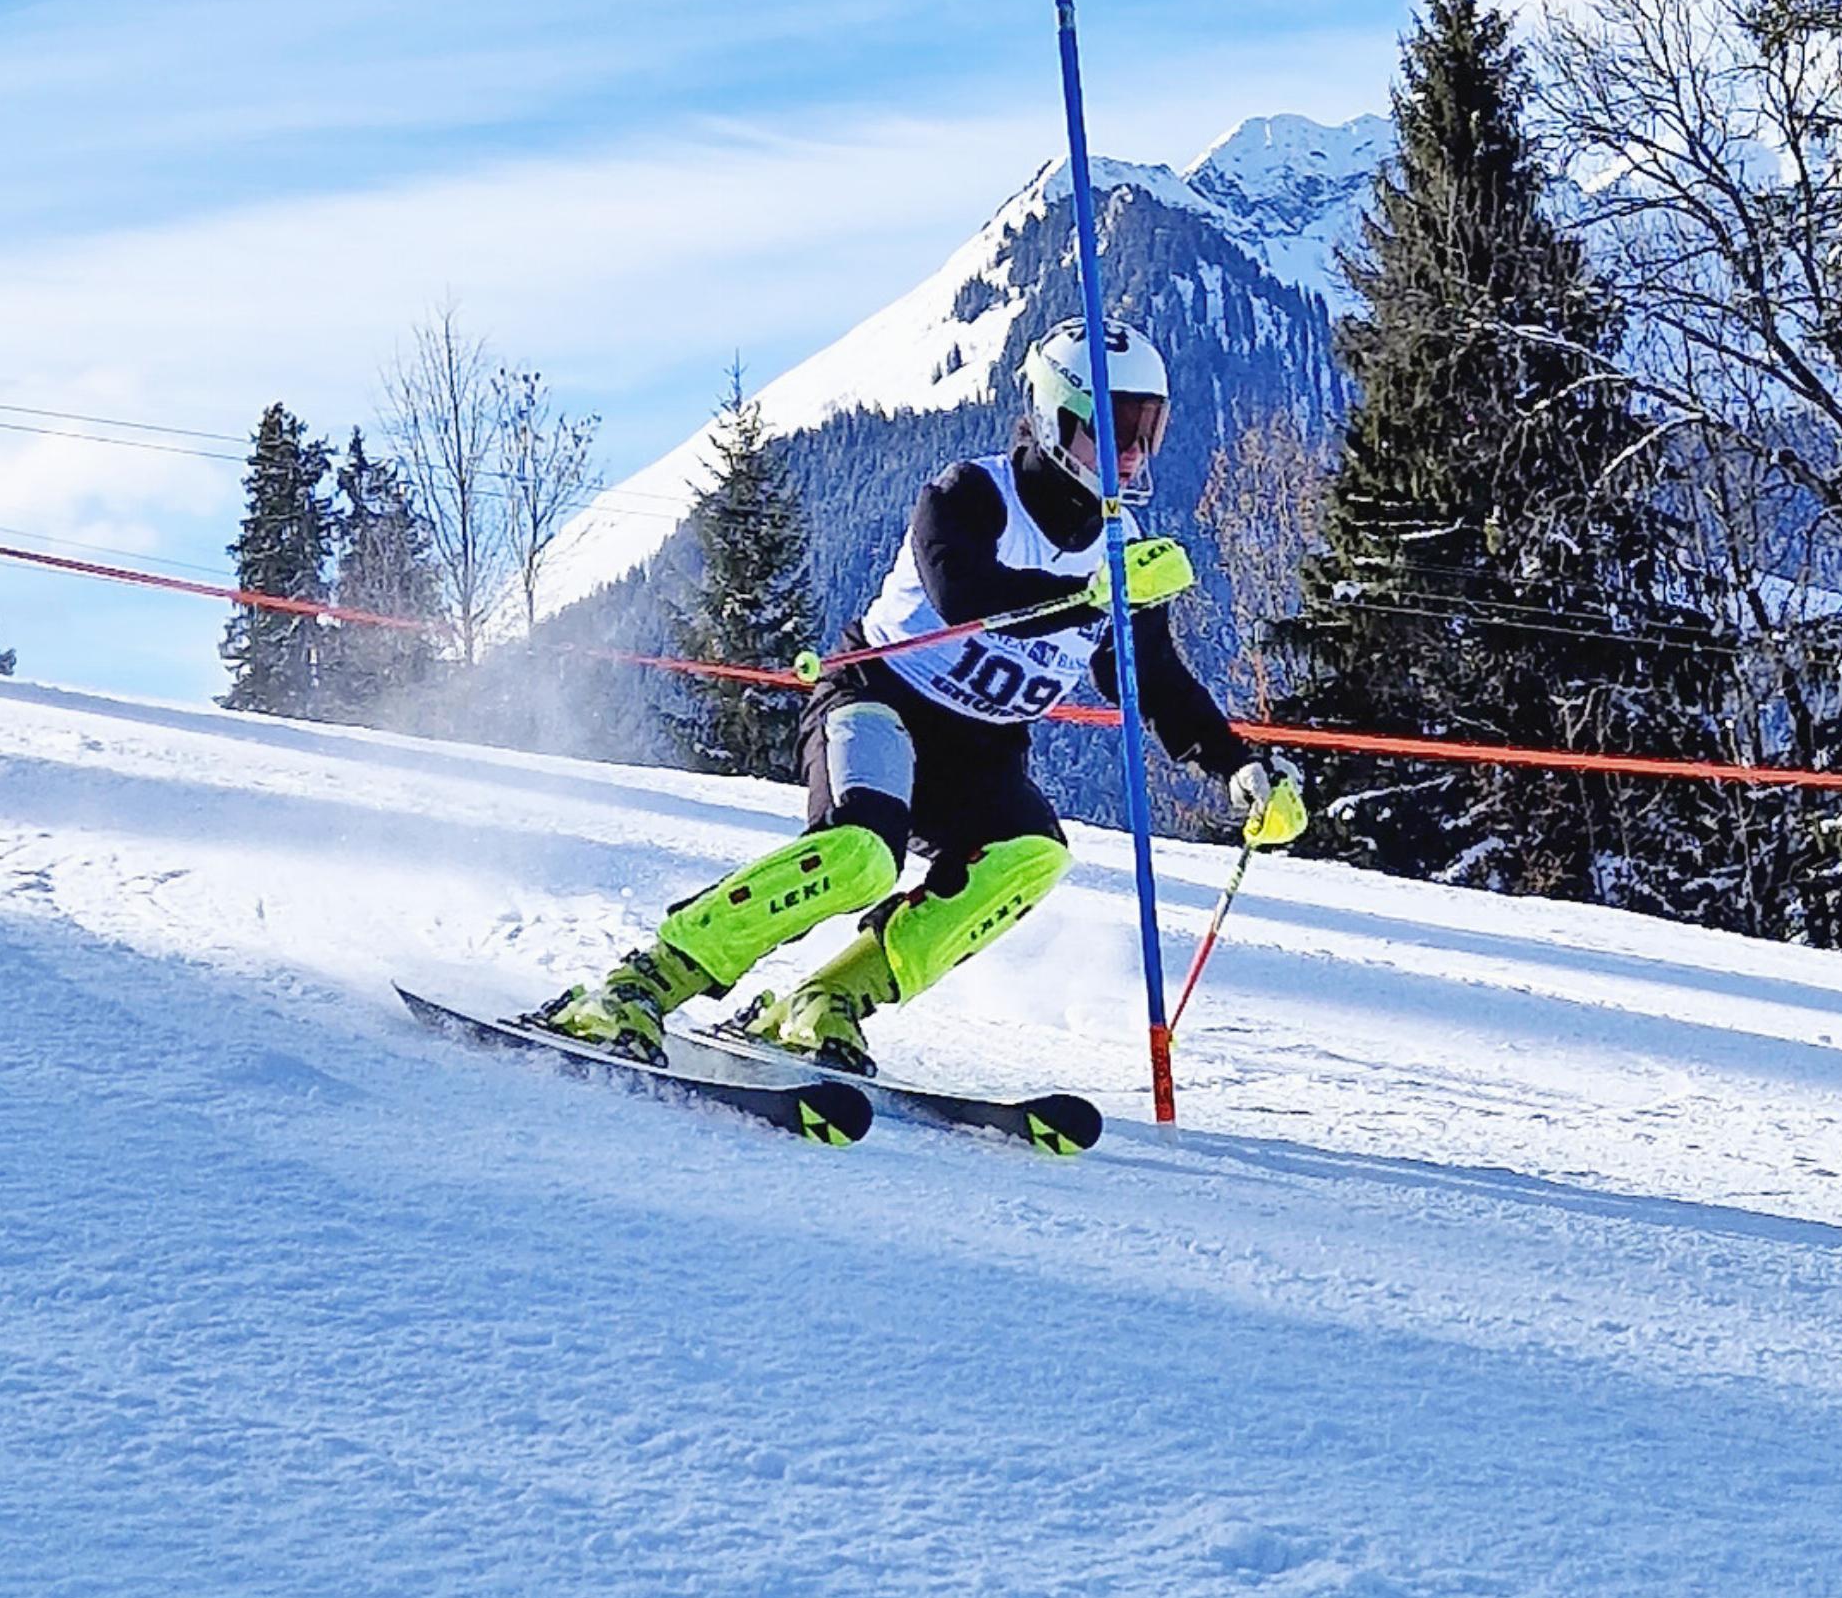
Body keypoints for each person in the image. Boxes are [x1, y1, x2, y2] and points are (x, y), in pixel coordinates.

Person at [536, 316, 1307, 1074]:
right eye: (1105, 431)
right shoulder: (971, 493)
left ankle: (828, 1001)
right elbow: (963, 591)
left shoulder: (1126, 555)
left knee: (1031, 856)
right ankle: (645, 979)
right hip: (878, 701)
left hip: (981, 750)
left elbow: (1153, 678)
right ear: (1047, 417)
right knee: (859, 856)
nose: (1130, 457)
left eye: (1147, 432)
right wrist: (1092, 598)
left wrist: (1238, 766)